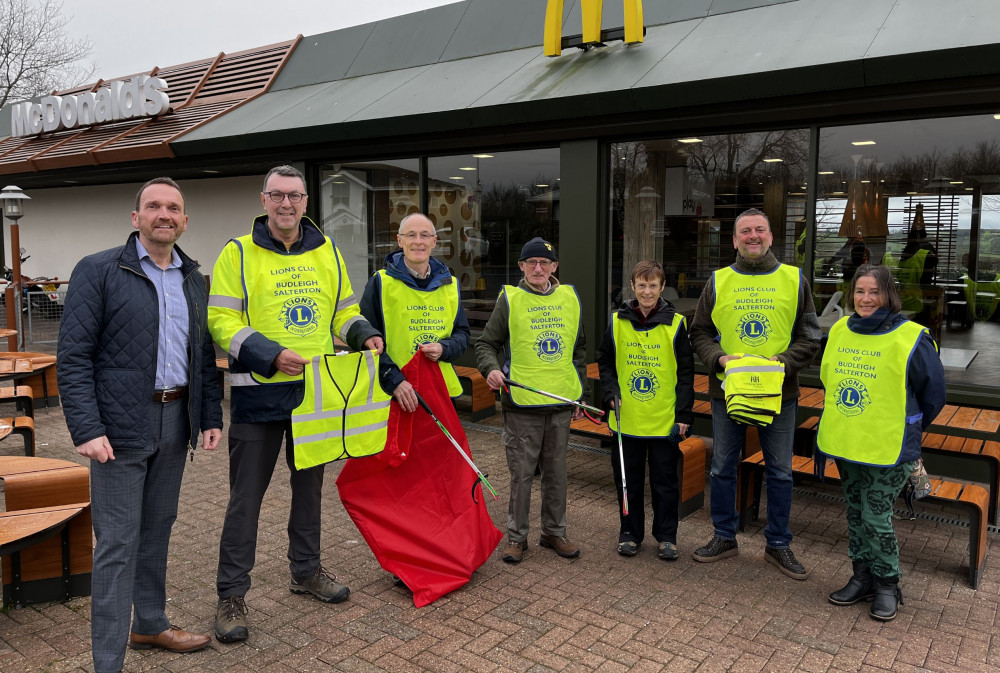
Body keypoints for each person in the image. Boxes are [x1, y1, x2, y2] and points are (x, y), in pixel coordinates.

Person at [208, 165, 383, 643]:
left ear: (307, 203)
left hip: (315, 397)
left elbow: (344, 310)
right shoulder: (237, 252)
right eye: (278, 195)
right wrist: (270, 355)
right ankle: (230, 594)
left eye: (296, 196)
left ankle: (305, 572)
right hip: (258, 395)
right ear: (264, 200)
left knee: (309, 494)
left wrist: (364, 333)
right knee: (246, 500)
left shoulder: (327, 251)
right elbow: (221, 319)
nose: (287, 204)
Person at [58, 177, 223, 673]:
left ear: (185, 220)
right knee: (116, 543)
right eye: (153, 206)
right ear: (136, 218)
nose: (164, 214)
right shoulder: (98, 270)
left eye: (174, 207)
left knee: (157, 529)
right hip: (117, 429)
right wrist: (86, 428)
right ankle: (107, 662)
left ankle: (150, 623)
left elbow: (202, 356)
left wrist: (209, 416)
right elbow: (73, 357)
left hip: (175, 423)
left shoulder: (195, 279)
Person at [689, 207, 821, 579]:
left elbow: (810, 337)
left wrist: (780, 363)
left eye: (759, 230)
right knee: (721, 467)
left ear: (770, 236)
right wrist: (719, 359)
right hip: (728, 392)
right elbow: (698, 332)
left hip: (779, 393)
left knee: (780, 471)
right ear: (734, 240)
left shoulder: (795, 280)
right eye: (745, 231)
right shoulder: (718, 281)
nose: (752, 236)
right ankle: (724, 536)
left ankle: (778, 544)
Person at [818, 264, 944, 620]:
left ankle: (887, 583)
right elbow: (829, 376)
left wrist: (906, 426)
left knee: (876, 516)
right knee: (856, 513)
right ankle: (862, 577)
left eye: (874, 292)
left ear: (888, 294)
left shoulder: (912, 337)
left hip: (890, 447)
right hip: (848, 440)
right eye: (860, 291)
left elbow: (932, 394)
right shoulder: (841, 329)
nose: (866, 298)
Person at [475, 236, 586, 564]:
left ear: (554, 267)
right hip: (521, 402)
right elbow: (485, 344)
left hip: (560, 402)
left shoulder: (569, 298)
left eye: (545, 263)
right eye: (531, 263)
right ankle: (516, 537)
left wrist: (576, 389)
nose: (538, 268)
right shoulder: (510, 300)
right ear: (521, 267)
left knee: (556, 472)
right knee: (522, 473)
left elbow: (577, 350)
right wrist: (491, 370)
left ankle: (554, 531)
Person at [596, 260, 694, 560]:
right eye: (642, 285)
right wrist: (610, 393)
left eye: (653, 285)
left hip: (664, 421)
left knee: (665, 484)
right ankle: (630, 533)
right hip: (627, 420)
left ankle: (666, 537)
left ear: (662, 287)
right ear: (633, 287)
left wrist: (683, 415)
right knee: (628, 482)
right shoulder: (616, 321)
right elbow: (605, 363)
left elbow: (686, 374)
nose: (647, 291)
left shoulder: (677, 324)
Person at [359, 212, 471, 412]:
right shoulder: (380, 283)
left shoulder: (450, 284)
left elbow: (462, 336)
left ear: (434, 241)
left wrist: (444, 349)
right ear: (400, 241)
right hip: (396, 392)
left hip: (440, 391)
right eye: (411, 235)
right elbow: (366, 341)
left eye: (424, 235)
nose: (418, 241)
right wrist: (394, 381)